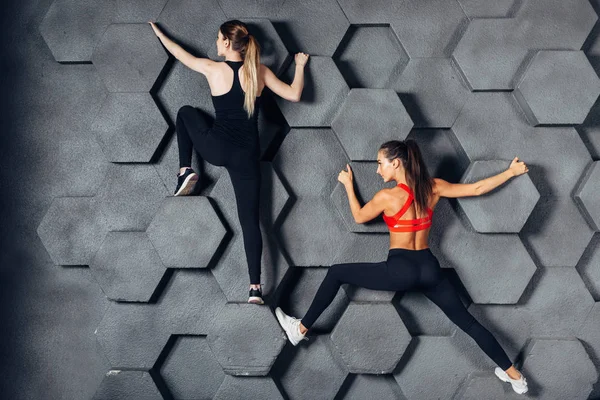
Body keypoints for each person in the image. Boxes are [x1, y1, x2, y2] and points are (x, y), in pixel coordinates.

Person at [275, 139, 529, 395]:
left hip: (400, 270)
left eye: (380, 163)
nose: (377, 170)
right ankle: (515, 377)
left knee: (337, 273)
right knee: (469, 324)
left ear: (395, 163)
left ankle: (300, 329)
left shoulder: (387, 196)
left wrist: (348, 186)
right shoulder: (434, 187)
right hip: (430, 269)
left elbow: (360, 217)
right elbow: (477, 189)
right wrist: (511, 171)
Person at [149, 20, 309, 304]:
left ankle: (185, 169)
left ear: (226, 43)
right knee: (251, 222)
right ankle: (255, 289)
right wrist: (300, 66)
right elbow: (295, 95)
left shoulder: (213, 68)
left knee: (186, 112)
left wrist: (161, 33)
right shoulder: (259, 72)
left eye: (217, 38)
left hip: (217, 148)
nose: (215, 42)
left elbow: (179, 54)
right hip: (247, 157)